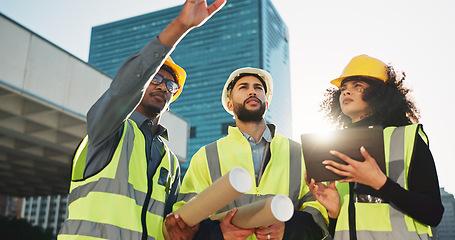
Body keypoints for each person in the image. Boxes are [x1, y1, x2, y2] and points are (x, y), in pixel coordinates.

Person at [57, 1, 226, 239]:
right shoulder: (110, 128)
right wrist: (180, 26)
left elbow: (169, 226)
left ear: (172, 98)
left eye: (170, 85)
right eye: (155, 78)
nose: (163, 87)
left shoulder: (171, 161)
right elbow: (123, 89)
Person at [173, 67, 330, 240]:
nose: (252, 92)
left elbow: (319, 208)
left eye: (258, 88)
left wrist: (289, 228)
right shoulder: (206, 155)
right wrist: (219, 234)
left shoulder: (299, 152)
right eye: (243, 87)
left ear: (267, 103)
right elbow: (185, 218)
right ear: (230, 104)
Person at [307, 54, 444, 240]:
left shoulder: (407, 138)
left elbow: (433, 213)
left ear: (380, 94)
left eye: (358, 86)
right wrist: (335, 213)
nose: (346, 92)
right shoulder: (335, 149)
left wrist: (381, 183)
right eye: (343, 88)